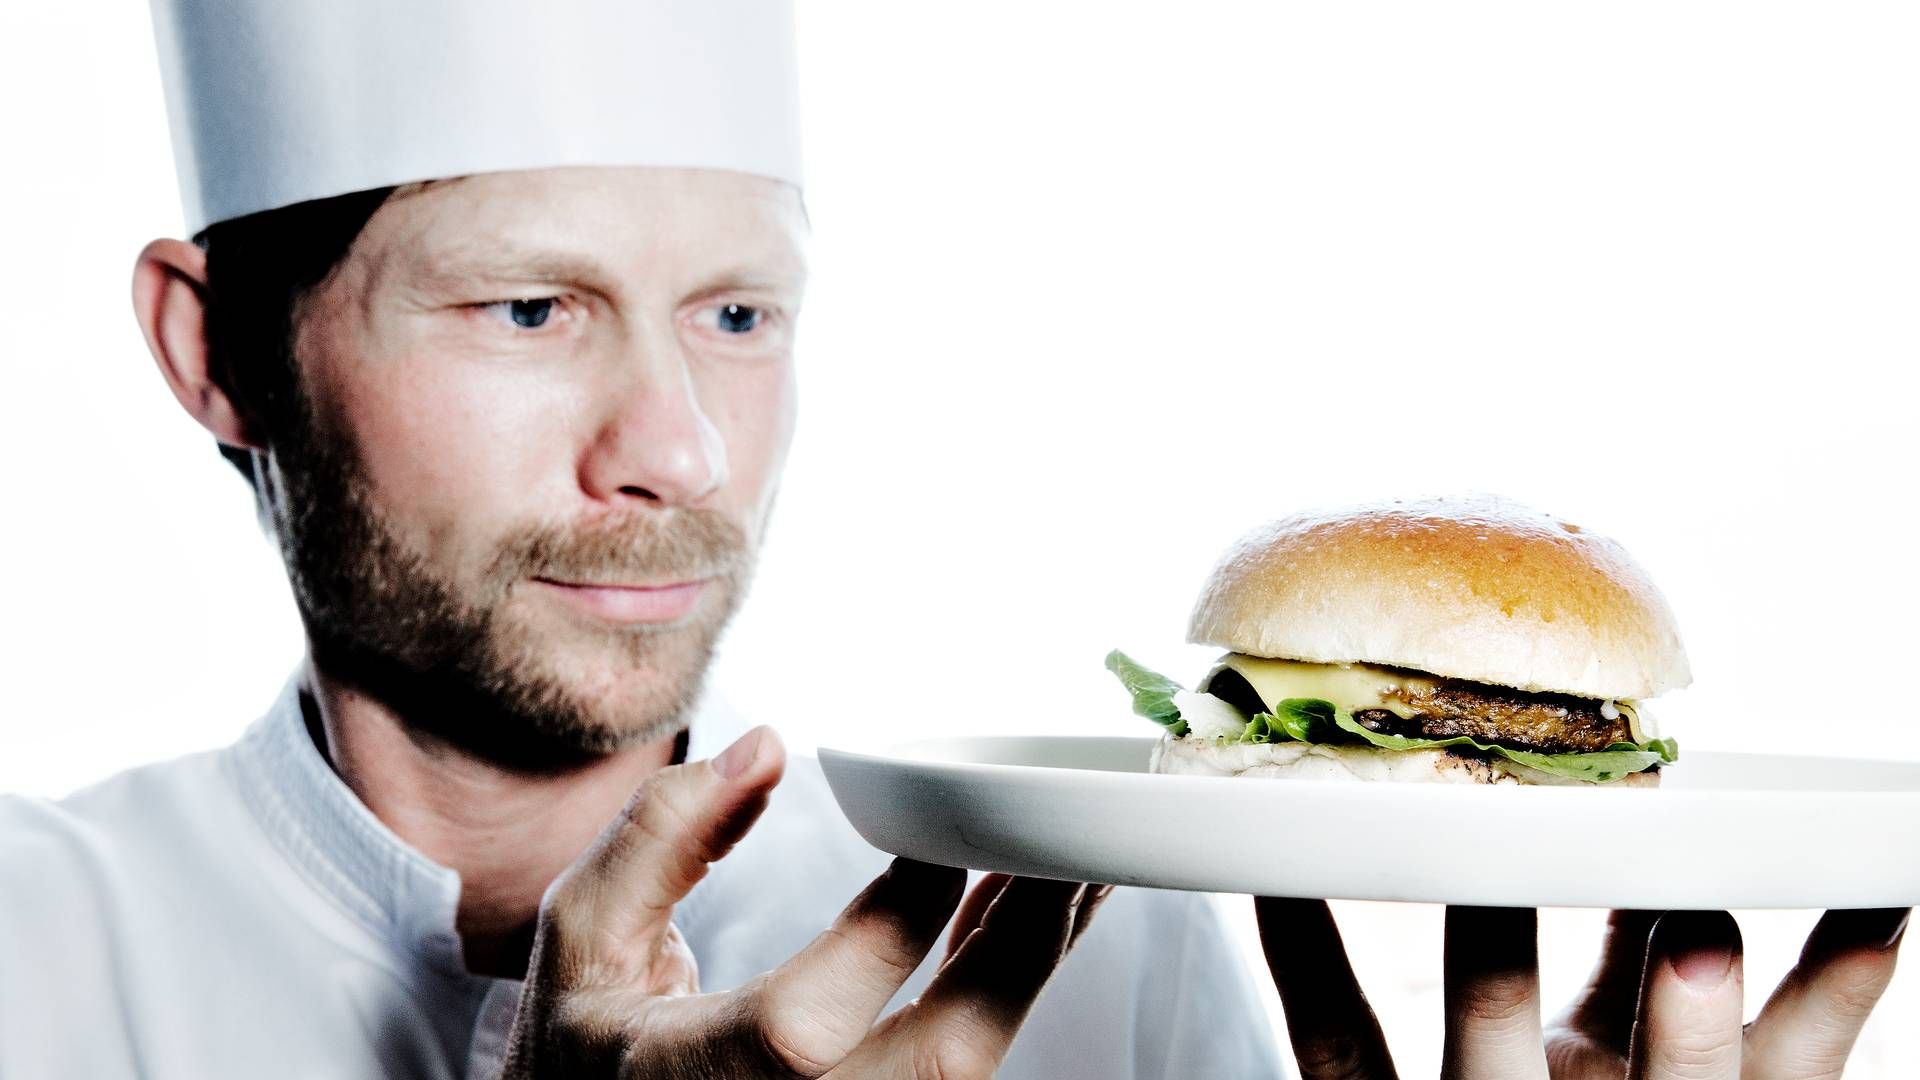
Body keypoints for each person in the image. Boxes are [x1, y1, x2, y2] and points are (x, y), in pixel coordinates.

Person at [0, 1, 1902, 1077]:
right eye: (528, 310)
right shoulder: (33, 953)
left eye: (738, 316)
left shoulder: (1098, 937)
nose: (675, 449)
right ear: (214, 350)